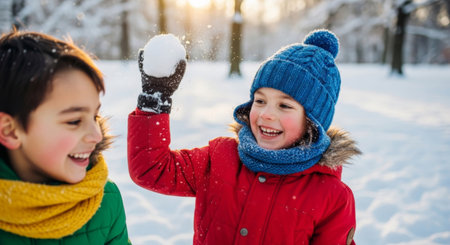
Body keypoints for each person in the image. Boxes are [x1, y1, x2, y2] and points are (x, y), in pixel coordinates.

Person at [128, 30, 361, 244]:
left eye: (284, 105)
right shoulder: (219, 158)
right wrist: (154, 100)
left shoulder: (332, 198)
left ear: (313, 122)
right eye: (260, 101)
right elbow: (152, 170)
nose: (266, 114)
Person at [0, 30, 131, 244]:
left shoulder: (105, 200)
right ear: (10, 131)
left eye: (94, 115)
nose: (96, 135)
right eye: (74, 121)